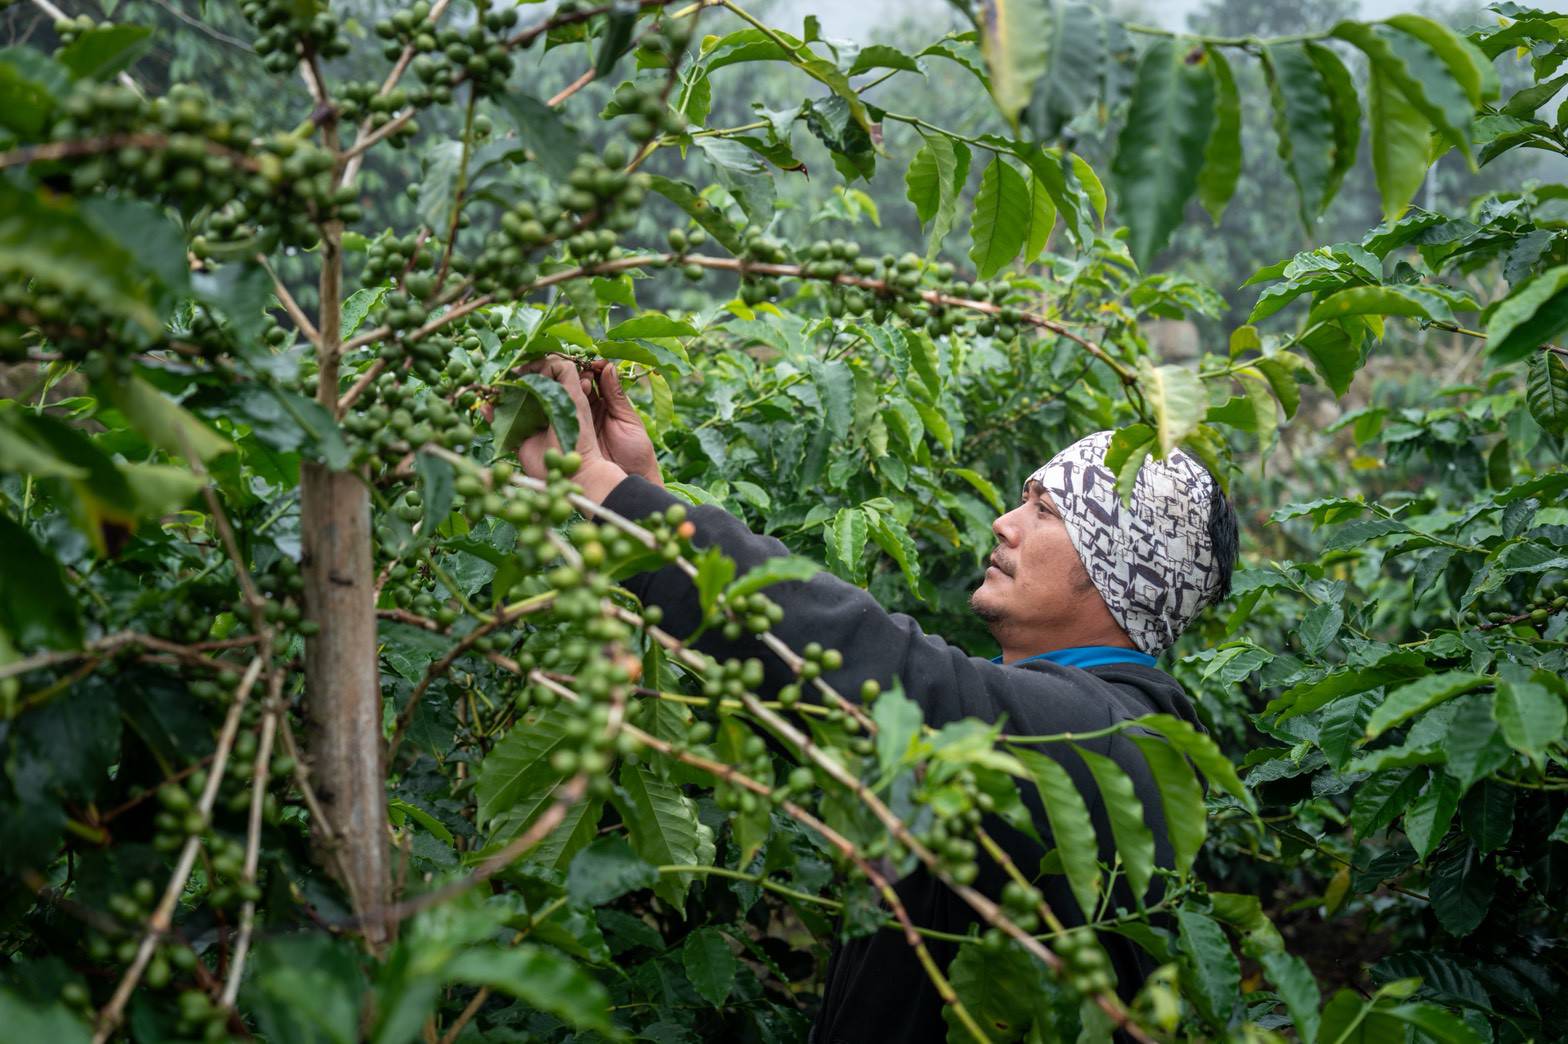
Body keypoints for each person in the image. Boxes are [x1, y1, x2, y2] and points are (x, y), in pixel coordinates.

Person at [516, 358, 1240, 1043]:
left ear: (1118, 569)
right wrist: (646, 496)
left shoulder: (1102, 738)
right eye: (1023, 497)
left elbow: (883, 665)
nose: (1005, 522)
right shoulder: (1060, 713)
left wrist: (608, 492)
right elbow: (815, 699)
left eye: (1047, 511)